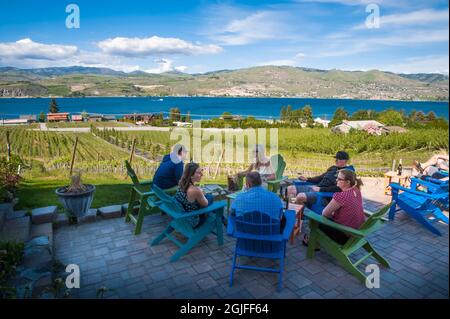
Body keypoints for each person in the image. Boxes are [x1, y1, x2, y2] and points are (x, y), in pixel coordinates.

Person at [303, 169, 365, 246]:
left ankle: (313, 243)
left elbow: (325, 214)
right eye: (337, 178)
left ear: (348, 182)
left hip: (344, 236)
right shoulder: (356, 190)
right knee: (326, 216)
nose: (336, 180)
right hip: (355, 232)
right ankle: (315, 241)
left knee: (315, 220)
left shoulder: (341, 196)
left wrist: (331, 215)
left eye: (339, 179)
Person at [287, 151, 351, 207]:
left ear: (345, 161)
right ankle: (293, 211)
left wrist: (321, 189)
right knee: (290, 189)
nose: (336, 161)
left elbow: (339, 189)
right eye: (336, 159)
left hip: (324, 195)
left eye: (338, 159)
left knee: (300, 196)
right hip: (316, 188)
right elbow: (320, 177)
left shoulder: (347, 173)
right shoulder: (333, 168)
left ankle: (299, 215)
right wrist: (307, 179)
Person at [174, 162, 213, 228]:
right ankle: (222, 218)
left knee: (207, 197)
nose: (202, 174)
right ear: (191, 175)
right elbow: (205, 204)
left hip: (183, 214)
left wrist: (200, 194)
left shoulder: (181, 183)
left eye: (201, 172)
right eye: (199, 173)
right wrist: (201, 194)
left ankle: (222, 218)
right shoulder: (194, 190)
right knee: (210, 197)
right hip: (193, 221)